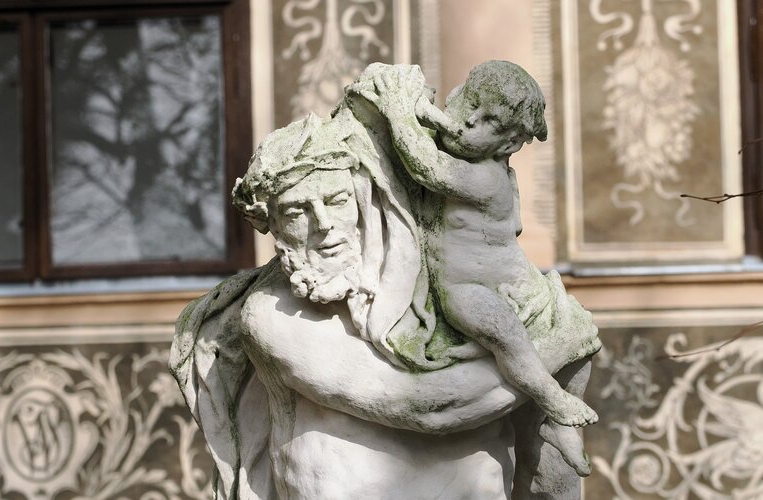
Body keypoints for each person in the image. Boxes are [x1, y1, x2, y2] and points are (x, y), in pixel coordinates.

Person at [170, 108, 600, 499]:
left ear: (363, 197)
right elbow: (431, 407)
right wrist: (561, 344)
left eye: (336, 201)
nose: (324, 226)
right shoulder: (274, 316)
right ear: (274, 226)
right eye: (297, 211)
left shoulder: (432, 289)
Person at [348, 62, 599, 475]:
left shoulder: (484, 178)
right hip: (485, 284)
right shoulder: (470, 148)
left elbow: (424, 166)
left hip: (476, 291)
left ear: (507, 145)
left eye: (488, 122)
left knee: (513, 342)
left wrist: (395, 110)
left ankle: (554, 404)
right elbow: (442, 133)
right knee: (519, 344)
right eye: (469, 101)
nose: (466, 121)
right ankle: (555, 422)